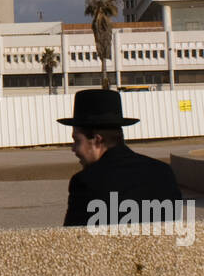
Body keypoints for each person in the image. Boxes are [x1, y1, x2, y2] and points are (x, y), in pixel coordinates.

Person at [59, 90, 183, 227]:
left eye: (77, 141)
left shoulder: (86, 182)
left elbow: (72, 239)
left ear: (97, 140)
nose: (73, 149)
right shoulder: (163, 172)